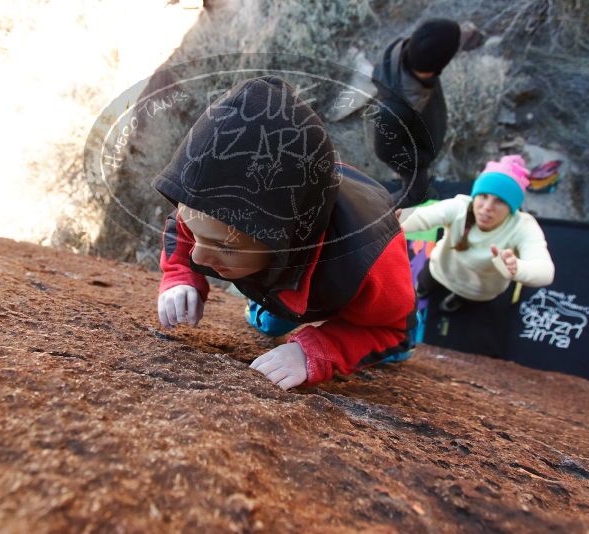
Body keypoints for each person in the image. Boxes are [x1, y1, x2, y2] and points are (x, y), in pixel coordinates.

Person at [154, 76, 415, 390]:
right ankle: (275, 300)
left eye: (224, 246)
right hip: (291, 252)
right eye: (197, 233)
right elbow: (182, 223)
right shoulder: (208, 211)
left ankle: (284, 300)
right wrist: (180, 274)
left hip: (350, 245)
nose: (198, 255)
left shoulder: (369, 262)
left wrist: (315, 350)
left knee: (395, 343)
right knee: (273, 320)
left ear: (285, 238)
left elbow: (390, 329)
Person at [400, 155, 555, 313]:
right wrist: (394, 222)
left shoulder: (523, 227)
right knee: (424, 283)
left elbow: (544, 272)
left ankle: (456, 299)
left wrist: (518, 269)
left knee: (465, 299)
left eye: (500, 201)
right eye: (483, 196)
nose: (487, 207)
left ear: (512, 207)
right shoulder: (460, 207)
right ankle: (423, 291)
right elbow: (422, 216)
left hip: (478, 290)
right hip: (441, 268)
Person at [371, 18, 461, 208]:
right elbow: (385, 151)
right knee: (414, 195)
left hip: (421, 139)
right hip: (415, 155)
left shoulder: (409, 55)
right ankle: (376, 213)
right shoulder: (394, 110)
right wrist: (420, 160)